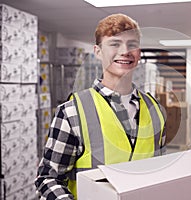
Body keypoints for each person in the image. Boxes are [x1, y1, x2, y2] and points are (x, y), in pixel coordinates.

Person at [35, 14, 166, 199]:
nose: (125, 51)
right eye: (115, 44)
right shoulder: (72, 111)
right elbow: (48, 178)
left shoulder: (156, 110)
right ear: (98, 51)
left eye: (132, 44)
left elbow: (159, 173)